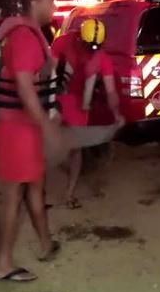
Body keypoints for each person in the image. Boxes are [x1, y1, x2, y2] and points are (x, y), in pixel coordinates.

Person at [0, 0, 62, 282]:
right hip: (15, 127)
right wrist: (48, 127)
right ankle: (2, 264)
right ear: (36, 3)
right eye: (52, 1)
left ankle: (45, 244)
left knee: (34, 183)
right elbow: (24, 87)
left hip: (23, 125)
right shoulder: (24, 37)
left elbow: (33, 77)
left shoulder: (30, 36)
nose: (54, 7)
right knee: (13, 193)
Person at [51, 18, 123, 209]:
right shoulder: (63, 42)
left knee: (75, 149)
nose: (91, 50)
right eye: (88, 46)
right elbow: (47, 73)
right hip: (56, 100)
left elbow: (110, 92)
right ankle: (37, 190)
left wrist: (116, 114)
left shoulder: (102, 58)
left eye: (95, 47)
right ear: (80, 38)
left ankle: (69, 194)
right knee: (50, 146)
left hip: (77, 106)